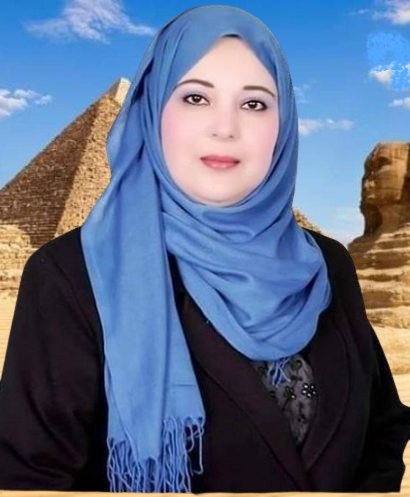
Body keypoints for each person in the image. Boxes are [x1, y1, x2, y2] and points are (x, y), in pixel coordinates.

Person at [0, 4, 409, 493]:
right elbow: (30, 477)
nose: (225, 127)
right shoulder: (72, 276)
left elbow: (382, 431)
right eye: (195, 97)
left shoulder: (326, 264)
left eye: (254, 103)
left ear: (283, 125)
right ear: (152, 111)